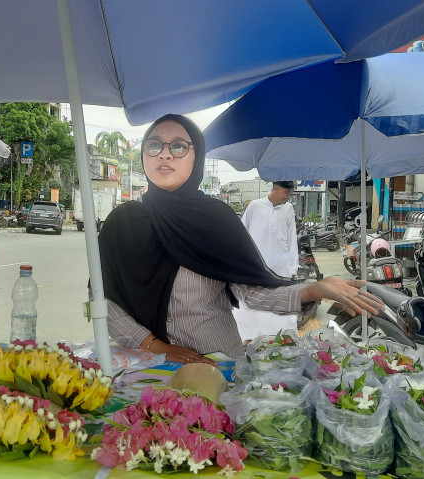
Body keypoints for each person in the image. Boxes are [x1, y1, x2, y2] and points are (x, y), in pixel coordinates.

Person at [98, 114, 382, 363]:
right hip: (145, 369)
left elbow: (252, 292)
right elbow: (103, 301)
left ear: (197, 156)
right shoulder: (122, 223)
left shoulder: (216, 218)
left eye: (179, 146)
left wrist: (315, 290)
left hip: (216, 360)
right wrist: (158, 347)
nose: (165, 155)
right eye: (154, 145)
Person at [234, 181, 300, 340]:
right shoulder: (255, 206)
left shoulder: (288, 209)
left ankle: (280, 342)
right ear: (275, 189)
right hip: (256, 268)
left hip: (280, 269)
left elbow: (291, 238)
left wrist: (293, 268)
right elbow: (241, 235)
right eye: (286, 192)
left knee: (280, 311)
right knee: (251, 309)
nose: (288, 197)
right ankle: (250, 341)